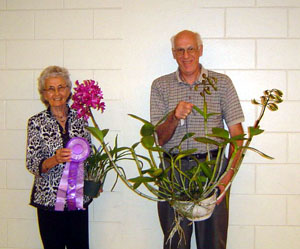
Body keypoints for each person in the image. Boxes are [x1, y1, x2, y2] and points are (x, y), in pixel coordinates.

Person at [150, 30, 244, 249]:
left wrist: (226, 179)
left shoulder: (221, 83)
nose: (186, 55)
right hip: (174, 172)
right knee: (175, 243)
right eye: (180, 50)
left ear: (200, 50)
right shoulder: (160, 86)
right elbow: (158, 139)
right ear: (173, 53)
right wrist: (174, 116)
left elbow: (237, 136)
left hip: (211, 172)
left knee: (213, 243)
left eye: (191, 48)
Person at [26, 66, 92, 249]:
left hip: (78, 200)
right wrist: (55, 159)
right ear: (44, 94)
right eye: (51, 88)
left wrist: (94, 180)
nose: (57, 93)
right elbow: (32, 164)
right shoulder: (36, 122)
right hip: (48, 200)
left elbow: (90, 155)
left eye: (61, 87)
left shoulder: (82, 119)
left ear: (69, 90)